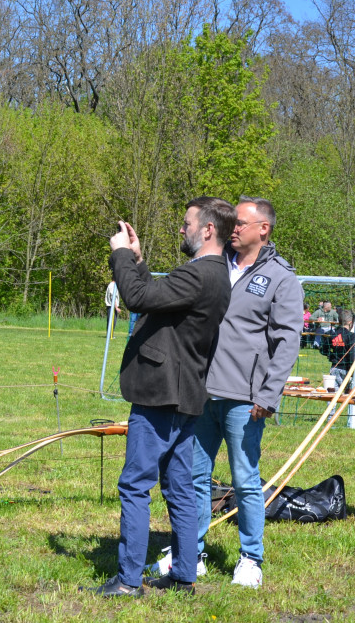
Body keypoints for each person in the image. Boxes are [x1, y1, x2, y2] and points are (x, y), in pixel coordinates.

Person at [148, 197, 302, 590]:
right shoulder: (216, 266)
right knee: (194, 477)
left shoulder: (282, 278)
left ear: (263, 229)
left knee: (246, 480)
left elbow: (287, 341)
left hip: (245, 398)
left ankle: (251, 558)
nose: (233, 227)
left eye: (242, 223)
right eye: (232, 221)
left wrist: (269, 395)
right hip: (202, 391)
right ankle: (191, 552)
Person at [84, 197, 234, 598]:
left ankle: (130, 580)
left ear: (208, 230)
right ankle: (184, 576)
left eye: (187, 222)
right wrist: (136, 259)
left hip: (161, 395)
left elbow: (136, 298)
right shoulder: (216, 274)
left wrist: (118, 256)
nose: (181, 228)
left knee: (135, 485)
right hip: (184, 395)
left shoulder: (200, 273)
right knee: (181, 488)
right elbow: (155, 295)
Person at [326, 309, 355, 383]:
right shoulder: (351, 336)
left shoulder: (333, 334)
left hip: (334, 368)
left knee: (335, 392)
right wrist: (353, 369)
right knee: (346, 393)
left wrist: (330, 355)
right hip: (346, 369)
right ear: (350, 322)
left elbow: (323, 349)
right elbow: (351, 354)